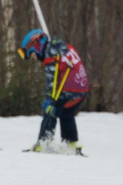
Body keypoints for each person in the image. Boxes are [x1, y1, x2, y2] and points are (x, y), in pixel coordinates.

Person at [19, 27, 89, 155]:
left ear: (37, 46)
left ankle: (43, 142)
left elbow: (52, 80)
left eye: (33, 54)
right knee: (66, 113)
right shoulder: (60, 47)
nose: (34, 58)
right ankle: (71, 144)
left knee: (51, 110)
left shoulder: (51, 54)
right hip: (81, 89)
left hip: (70, 89)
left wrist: (49, 101)